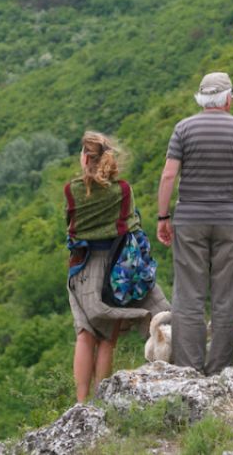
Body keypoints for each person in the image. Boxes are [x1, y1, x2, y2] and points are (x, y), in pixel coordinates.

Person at [156, 72, 233, 375]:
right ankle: (218, 369)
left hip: (190, 219)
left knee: (189, 294)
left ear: (202, 99)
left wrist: (163, 217)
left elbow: (167, 176)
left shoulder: (183, 128)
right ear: (228, 98)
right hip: (231, 220)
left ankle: (189, 368)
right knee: (227, 294)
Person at [65, 131, 170, 403]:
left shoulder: (72, 190)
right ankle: (101, 399)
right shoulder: (122, 190)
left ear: (86, 157)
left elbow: (72, 228)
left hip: (83, 268)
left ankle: (81, 403)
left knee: (85, 335)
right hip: (116, 270)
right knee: (107, 340)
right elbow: (131, 225)